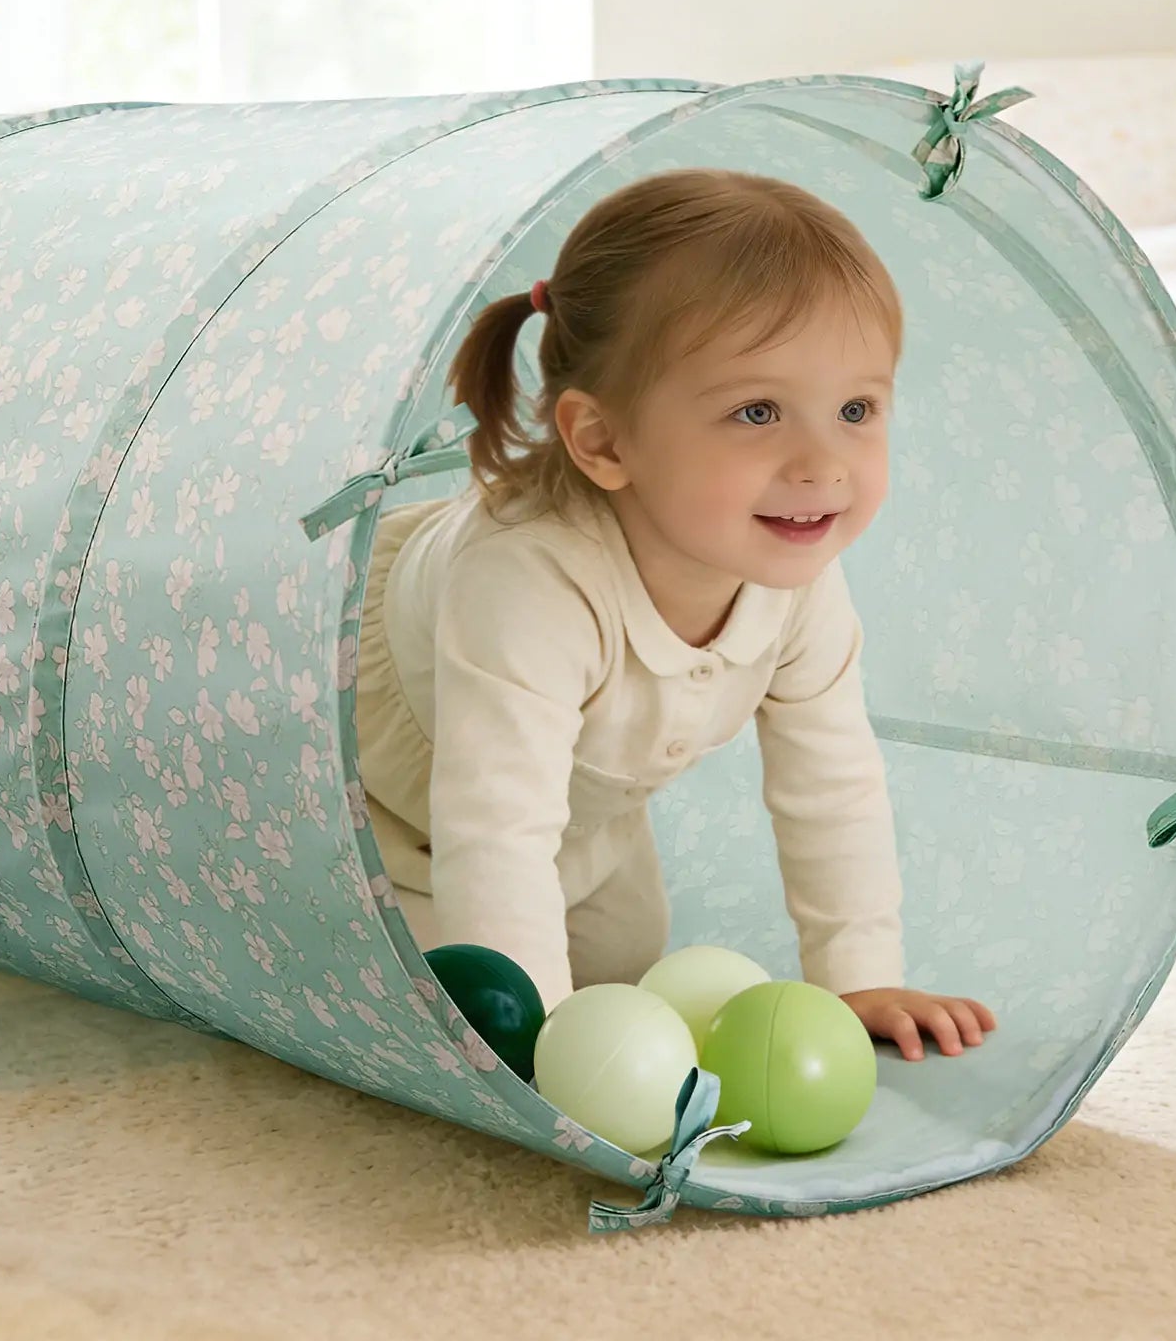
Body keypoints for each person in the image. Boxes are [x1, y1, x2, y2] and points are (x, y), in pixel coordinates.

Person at [356, 168, 994, 1061]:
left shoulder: (793, 574)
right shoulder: (528, 582)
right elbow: (495, 826)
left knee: (622, 961)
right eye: (757, 411)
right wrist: (540, 1055)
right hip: (385, 808)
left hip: (583, 814)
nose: (823, 462)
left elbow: (832, 779)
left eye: (857, 409)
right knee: (444, 1007)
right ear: (604, 440)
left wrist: (857, 976)